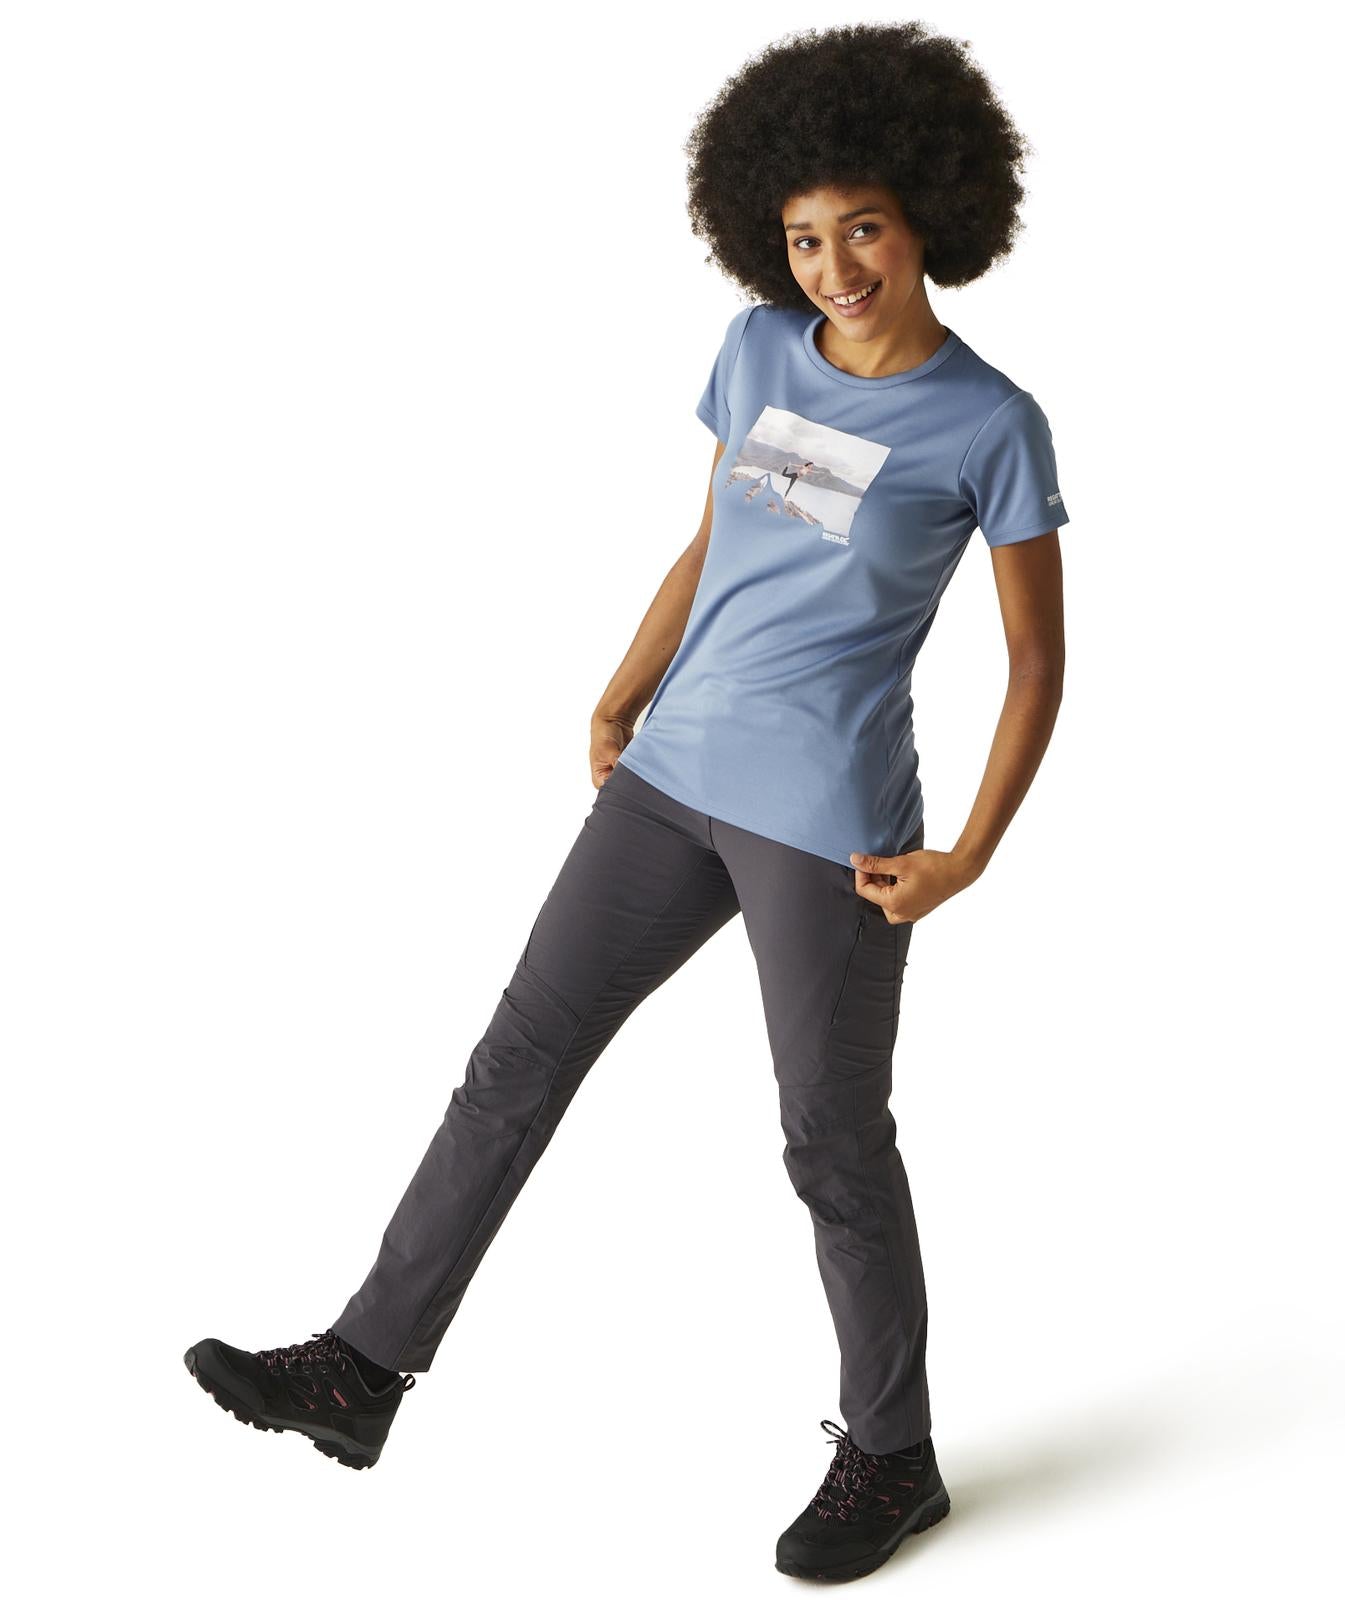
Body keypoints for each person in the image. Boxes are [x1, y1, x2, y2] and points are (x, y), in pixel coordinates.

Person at [184, 20, 1067, 1584]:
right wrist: (618, 690)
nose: (835, 266)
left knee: (831, 1140)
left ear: (931, 213)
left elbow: (1037, 660)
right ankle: (363, 1369)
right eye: (805, 237)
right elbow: (716, 543)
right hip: (669, 780)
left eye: (863, 227)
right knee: (513, 1066)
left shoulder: (988, 423)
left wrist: (970, 856)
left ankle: (894, 1454)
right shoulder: (756, 352)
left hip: (828, 824)